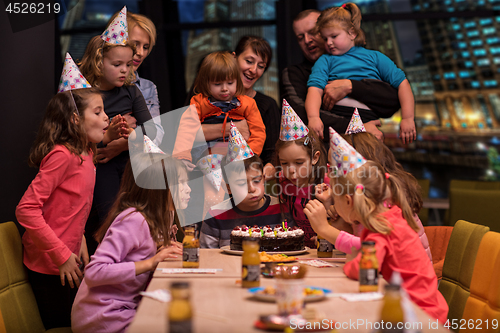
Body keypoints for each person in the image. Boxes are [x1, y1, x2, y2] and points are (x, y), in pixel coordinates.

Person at [304, 137, 448, 323]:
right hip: (425, 306)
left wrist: (350, 267)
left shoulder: (380, 230)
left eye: (336, 196)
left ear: (348, 201)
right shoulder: (390, 215)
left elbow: (365, 268)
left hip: (419, 315)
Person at [15, 87, 121, 329]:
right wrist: (61, 255)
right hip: (49, 264)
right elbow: (26, 209)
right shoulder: (61, 155)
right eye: (98, 111)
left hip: (69, 259)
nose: (106, 116)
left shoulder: (86, 153)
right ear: (75, 119)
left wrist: (79, 238)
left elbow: (70, 207)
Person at [71, 154, 187, 333]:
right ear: (158, 189)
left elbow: (139, 250)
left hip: (126, 308)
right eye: (181, 183)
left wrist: (163, 246)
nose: (188, 189)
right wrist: (151, 262)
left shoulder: (163, 215)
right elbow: (94, 272)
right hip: (103, 315)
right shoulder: (134, 220)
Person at [79, 12, 156, 255]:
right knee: (110, 220)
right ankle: (108, 265)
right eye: (117, 65)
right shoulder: (85, 95)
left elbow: (151, 131)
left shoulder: (132, 92)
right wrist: (106, 136)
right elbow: (75, 137)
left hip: (133, 167)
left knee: (139, 219)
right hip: (101, 168)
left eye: (127, 64)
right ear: (99, 63)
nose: (125, 70)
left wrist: (129, 136)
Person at [282, 9, 401, 142]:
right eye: (300, 37)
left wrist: (350, 86)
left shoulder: (361, 62)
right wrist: (357, 128)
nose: (307, 40)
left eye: (313, 32)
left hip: (370, 150)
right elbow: (297, 115)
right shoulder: (294, 73)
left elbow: (393, 101)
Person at [305, 4, 416, 143]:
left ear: (352, 33)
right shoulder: (325, 60)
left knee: (368, 160)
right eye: (325, 38)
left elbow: (402, 84)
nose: (329, 43)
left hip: (369, 118)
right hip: (339, 116)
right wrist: (313, 117)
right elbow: (315, 89)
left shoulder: (375, 57)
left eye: (334, 36)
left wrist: (407, 118)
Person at [313, 132, 432, 262]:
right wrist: (332, 206)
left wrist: (324, 229)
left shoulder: (386, 205)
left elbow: (368, 248)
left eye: (335, 168)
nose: (329, 175)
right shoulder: (371, 200)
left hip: (407, 280)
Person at [197, 36, 280, 179]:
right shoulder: (203, 98)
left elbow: (272, 152)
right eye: (249, 61)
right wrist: (233, 128)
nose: (253, 70)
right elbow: (184, 134)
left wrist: (256, 164)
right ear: (234, 58)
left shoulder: (266, 105)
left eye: (261, 66)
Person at [200, 155, 285, 248]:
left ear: (263, 179)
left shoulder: (281, 208)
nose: (252, 189)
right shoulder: (215, 215)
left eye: (256, 181)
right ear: (228, 188)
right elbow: (206, 255)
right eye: (241, 183)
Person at [107, 10, 165, 146]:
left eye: (146, 47)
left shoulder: (148, 87)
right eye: (135, 44)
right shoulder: (90, 85)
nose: (140, 53)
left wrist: (122, 145)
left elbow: (156, 137)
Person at [275, 101, 327, 248]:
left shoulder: (327, 183)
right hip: (296, 250)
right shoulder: (282, 181)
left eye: (299, 163)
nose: (291, 170)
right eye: (284, 163)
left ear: (315, 158)